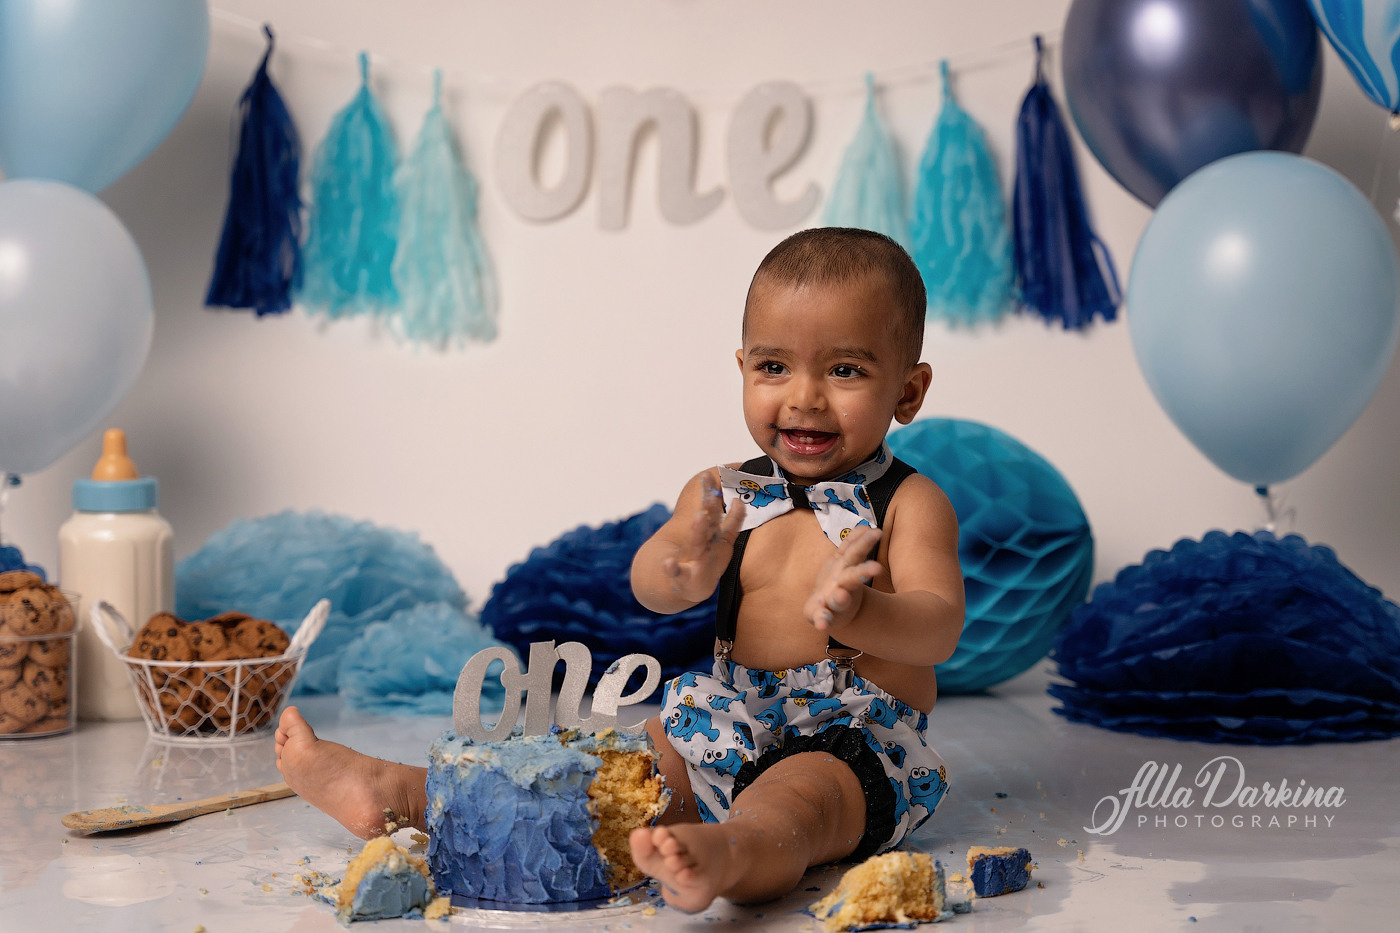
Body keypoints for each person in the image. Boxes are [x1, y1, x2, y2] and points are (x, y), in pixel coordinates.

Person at [274, 226, 964, 913]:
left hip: (856, 737)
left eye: (845, 370)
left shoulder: (909, 504)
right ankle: (403, 794)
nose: (804, 396)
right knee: (607, 777)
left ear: (908, 390)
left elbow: (939, 627)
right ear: (743, 366)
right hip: (728, 715)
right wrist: (686, 568)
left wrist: (864, 614)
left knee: (798, 799)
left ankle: (734, 851)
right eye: (774, 367)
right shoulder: (724, 491)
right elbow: (653, 585)